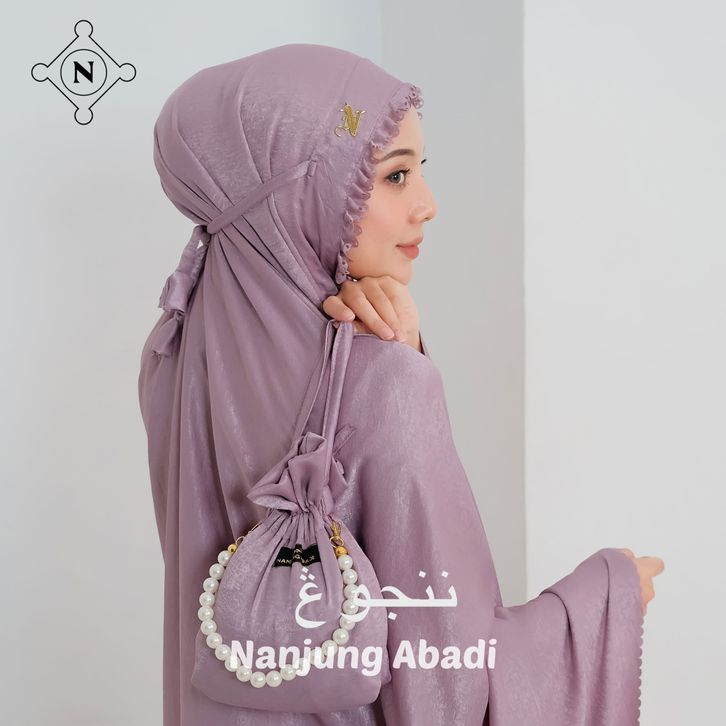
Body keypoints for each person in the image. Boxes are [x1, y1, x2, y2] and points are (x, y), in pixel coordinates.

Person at [138, 43, 663, 726]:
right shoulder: (386, 381)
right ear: (302, 193)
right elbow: (449, 676)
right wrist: (606, 603)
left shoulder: (171, 362)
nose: (427, 205)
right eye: (393, 176)